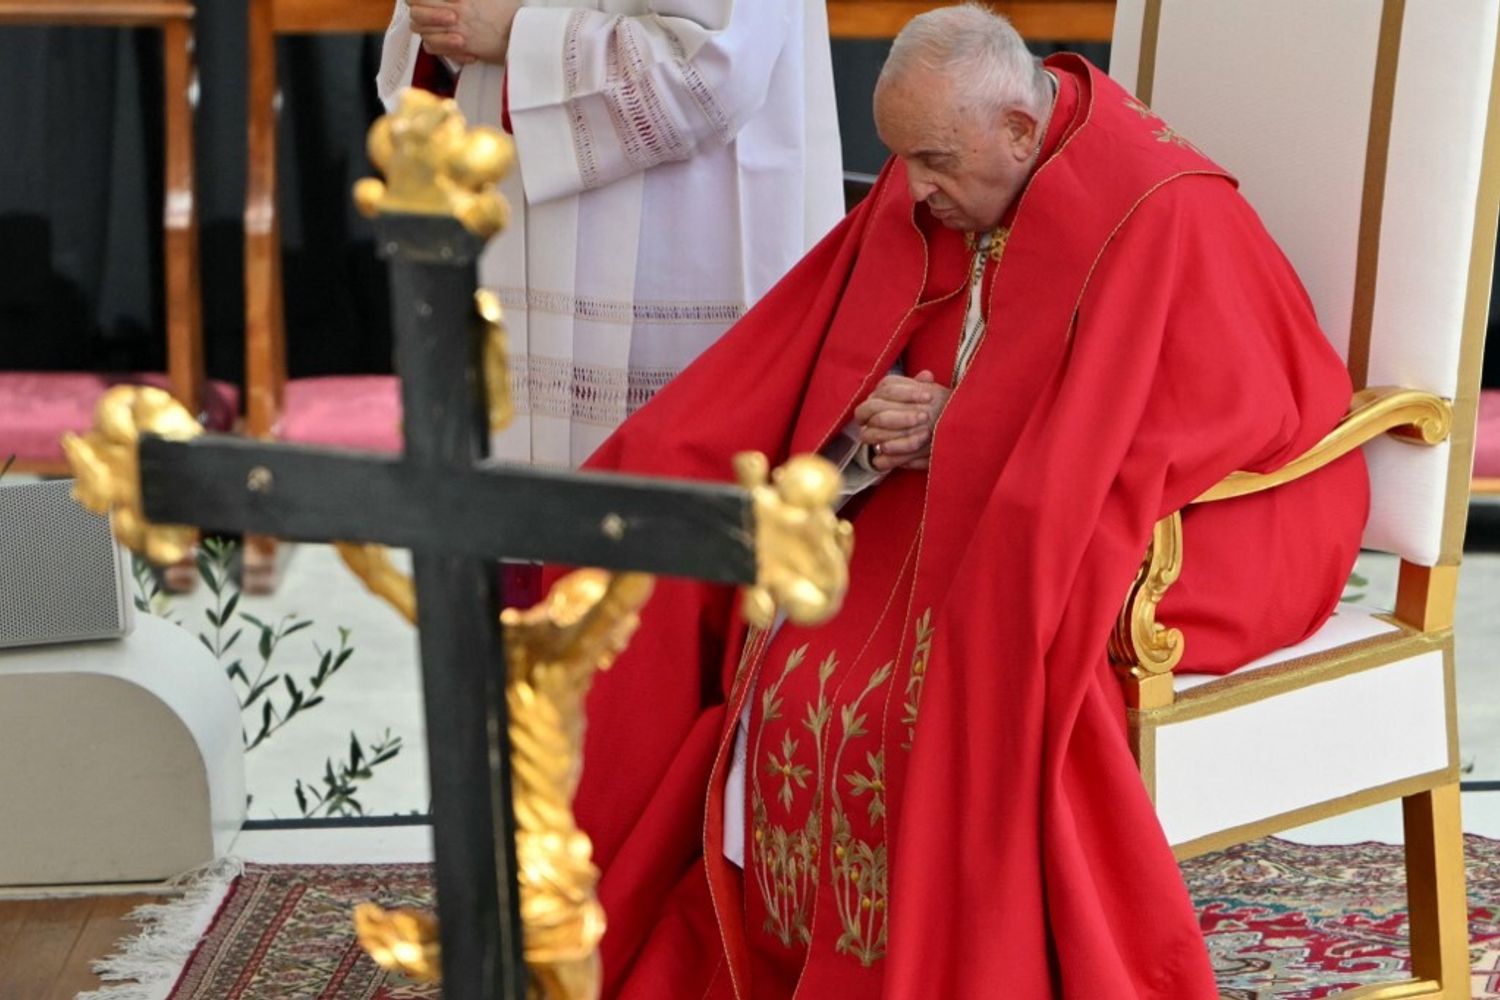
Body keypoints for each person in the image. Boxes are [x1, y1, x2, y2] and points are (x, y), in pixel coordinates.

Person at [563, 5, 1370, 998]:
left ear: (1020, 130)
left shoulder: (1162, 209)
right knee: (782, 646)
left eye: (935, 162)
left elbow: (1216, 414)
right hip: (968, 500)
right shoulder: (956, 170)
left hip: (1196, 532)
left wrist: (966, 425)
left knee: (934, 679)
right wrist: (877, 409)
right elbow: (836, 345)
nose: (913, 190)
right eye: (901, 158)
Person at [378, 0, 843, 469]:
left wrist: (517, 36)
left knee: (657, 487)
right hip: (504, 210)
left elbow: (710, 69)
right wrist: (449, 23)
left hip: (674, 234)